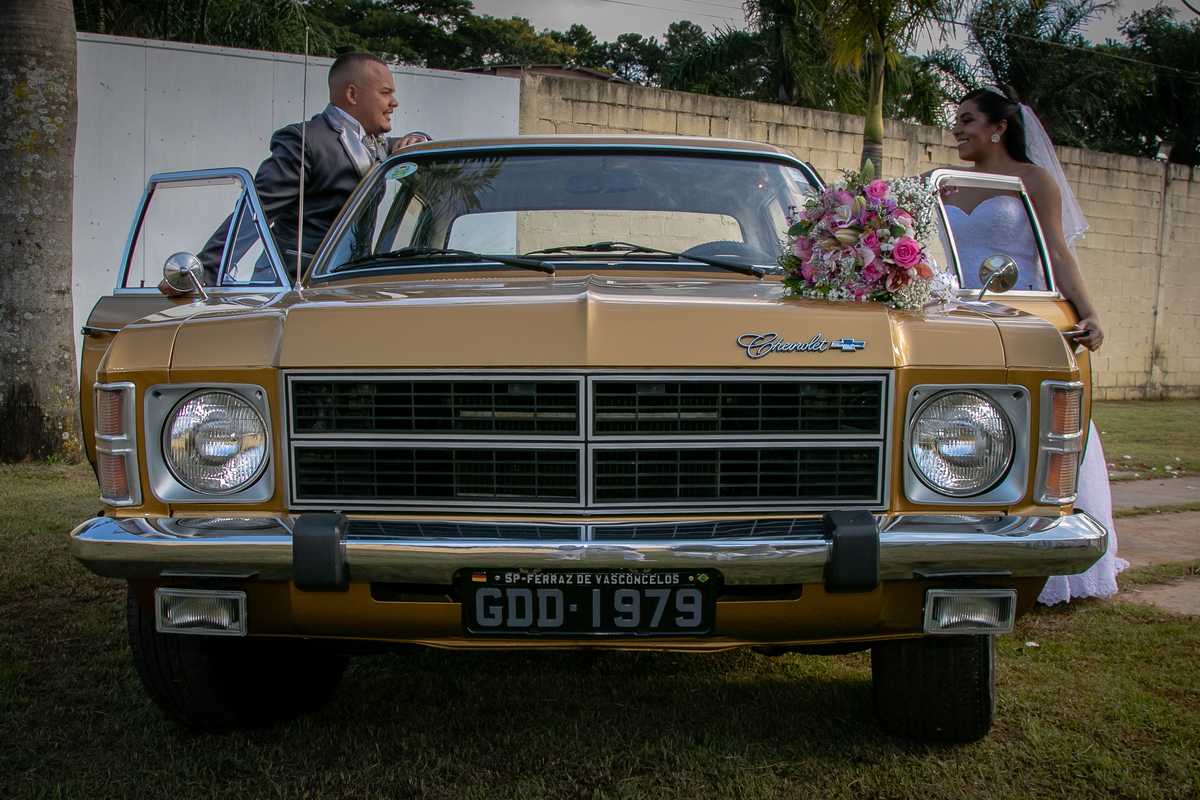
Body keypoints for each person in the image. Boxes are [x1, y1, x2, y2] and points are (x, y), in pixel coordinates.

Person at [949, 85, 1126, 603]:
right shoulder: (947, 185)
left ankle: (1055, 564)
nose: (957, 129)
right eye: (956, 120)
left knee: (1037, 421)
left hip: (1024, 311)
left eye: (967, 119)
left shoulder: (1032, 180)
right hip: (964, 315)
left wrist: (1088, 312)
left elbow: (1058, 252)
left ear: (999, 127)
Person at [164, 51, 431, 291]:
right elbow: (256, 211)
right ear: (352, 94)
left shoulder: (376, 144)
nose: (394, 102)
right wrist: (204, 270)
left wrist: (418, 138)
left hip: (348, 284)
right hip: (293, 286)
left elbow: (399, 147)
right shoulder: (304, 141)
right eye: (385, 93)